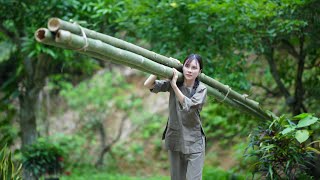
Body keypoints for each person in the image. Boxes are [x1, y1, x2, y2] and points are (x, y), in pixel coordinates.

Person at [144, 54, 207, 180]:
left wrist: (174, 86)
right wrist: (162, 66)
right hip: (175, 138)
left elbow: (188, 106)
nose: (189, 70)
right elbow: (148, 84)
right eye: (187, 66)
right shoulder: (176, 81)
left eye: (194, 68)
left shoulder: (201, 89)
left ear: (199, 71)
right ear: (182, 67)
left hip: (194, 142)